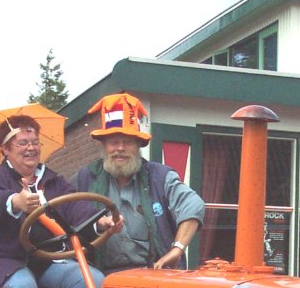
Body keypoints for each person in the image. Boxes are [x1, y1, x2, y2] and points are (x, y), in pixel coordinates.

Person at [0, 114, 117, 288]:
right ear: (5, 149)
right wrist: (16, 201)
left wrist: (100, 222)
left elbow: (75, 206)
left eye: (35, 142)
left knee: (95, 281)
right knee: (24, 286)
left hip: (45, 261)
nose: (31, 148)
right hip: (0, 261)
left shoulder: (54, 181)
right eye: (22, 143)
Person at [72, 93, 205, 275]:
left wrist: (177, 249)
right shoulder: (85, 178)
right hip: (99, 277)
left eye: (128, 142)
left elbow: (194, 205)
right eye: (113, 142)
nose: (120, 148)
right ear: (104, 146)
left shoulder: (161, 177)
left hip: (153, 275)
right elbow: (65, 215)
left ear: (138, 145)